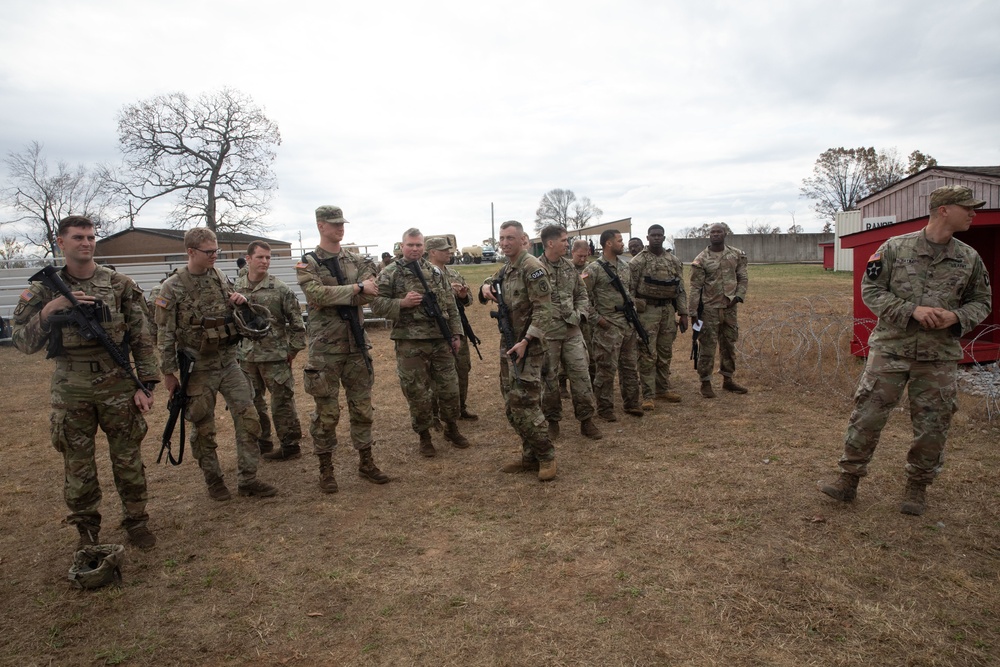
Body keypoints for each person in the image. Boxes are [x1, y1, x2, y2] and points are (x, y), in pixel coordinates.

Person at [820, 185, 992, 516]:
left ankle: (917, 487)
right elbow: (871, 288)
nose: (973, 214)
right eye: (966, 208)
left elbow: (982, 301)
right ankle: (848, 480)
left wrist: (956, 317)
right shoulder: (896, 248)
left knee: (933, 424)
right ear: (944, 210)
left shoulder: (968, 258)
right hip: (891, 350)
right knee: (867, 415)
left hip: (938, 356)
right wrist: (910, 310)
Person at [12, 215, 160, 550]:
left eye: (91, 237)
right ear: (61, 243)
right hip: (71, 385)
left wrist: (145, 385)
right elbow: (22, 341)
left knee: (128, 459)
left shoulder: (119, 283)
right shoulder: (43, 290)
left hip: (117, 382)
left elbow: (142, 338)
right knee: (77, 464)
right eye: (78, 237)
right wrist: (51, 309)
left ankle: (136, 522)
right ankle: (87, 530)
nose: (87, 243)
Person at [156, 227, 277, 501]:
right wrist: (168, 373)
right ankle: (214, 481)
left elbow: (232, 309)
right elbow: (164, 333)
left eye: (216, 251)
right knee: (203, 427)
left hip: (229, 362)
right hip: (197, 368)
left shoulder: (220, 276)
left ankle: (248, 479)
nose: (214, 256)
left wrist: (240, 301)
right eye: (209, 252)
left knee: (249, 418)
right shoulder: (172, 287)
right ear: (190, 251)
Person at [296, 205, 389, 493]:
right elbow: (316, 295)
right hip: (325, 351)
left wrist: (355, 290)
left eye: (342, 223)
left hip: (356, 345)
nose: (340, 228)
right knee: (326, 413)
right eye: (334, 224)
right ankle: (326, 469)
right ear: (320, 226)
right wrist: (356, 289)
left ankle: (366, 462)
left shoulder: (356, 260)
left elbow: (373, 291)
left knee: (362, 408)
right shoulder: (308, 263)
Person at [370, 229, 471, 457]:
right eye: (410, 245)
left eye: (418, 245)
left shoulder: (435, 272)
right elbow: (376, 305)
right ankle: (424, 436)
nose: (415, 249)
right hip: (410, 343)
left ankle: (451, 427)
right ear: (402, 246)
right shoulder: (390, 273)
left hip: (440, 340)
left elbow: (451, 305)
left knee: (449, 388)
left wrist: (456, 334)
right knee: (417, 392)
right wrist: (401, 303)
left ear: (424, 247)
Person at [480, 220, 557, 481]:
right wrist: (484, 286)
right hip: (509, 343)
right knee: (511, 403)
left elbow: (545, 310)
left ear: (523, 239)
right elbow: (491, 281)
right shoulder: (507, 269)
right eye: (501, 238)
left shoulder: (532, 268)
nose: (504, 243)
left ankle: (546, 457)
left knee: (525, 401)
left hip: (529, 346)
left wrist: (527, 340)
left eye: (510, 238)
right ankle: (530, 456)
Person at [235, 241, 306, 461]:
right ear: (248, 259)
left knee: (282, 402)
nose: (265, 261)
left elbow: (297, 324)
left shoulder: (280, 289)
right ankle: (262, 441)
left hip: (275, 357)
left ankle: (290, 445)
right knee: (253, 402)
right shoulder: (237, 288)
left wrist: (292, 351)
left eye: (268, 257)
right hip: (246, 357)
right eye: (260, 257)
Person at [537, 225, 602, 441]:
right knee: (549, 379)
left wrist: (580, 314)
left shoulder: (569, 267)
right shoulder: (534, 268)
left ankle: (586, 420)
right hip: (548, 335)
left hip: (573, 331)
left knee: (581, 375)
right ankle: (553, 421)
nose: (567, 244)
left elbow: (582, 295)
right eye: (564, 240)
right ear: (550, 243)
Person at [582, 230, 644, 420]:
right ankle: (605, 408)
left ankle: (632, 403)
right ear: (608, 244)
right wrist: (598, 320)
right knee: (606, 369)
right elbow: (583, 299)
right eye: (619, 241)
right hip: (607, 326)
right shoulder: (593, 269)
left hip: (627, 324)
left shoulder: (626, 267)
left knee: (630, 367)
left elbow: (630, 292)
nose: (622, 243)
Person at [629, 224, 689, 408]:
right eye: (653, 235)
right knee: (647, 353)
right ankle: (648, 395)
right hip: (647, 312)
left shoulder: (673, 261)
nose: (656, 238)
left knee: (665, 352)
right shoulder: (638, 262)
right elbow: (629, 290)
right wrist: (636, 309)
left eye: (660, 235)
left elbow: (680, 289)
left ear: (664, 238)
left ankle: (663, 388)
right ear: (647, 238)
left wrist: (684, 313)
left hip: (667, 312)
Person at [688, 223, 749, 398]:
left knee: (729, 345)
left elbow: (743, 277)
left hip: (730, 308)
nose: (715, 234)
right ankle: (705, 382)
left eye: (719, 232)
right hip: (708, 310)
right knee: (707, 347)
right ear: (709, 235)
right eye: (712, 232)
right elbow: (695, 287)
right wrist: (693, 313)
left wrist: (738, 297)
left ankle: (728, 380)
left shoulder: (736, 255)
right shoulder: (701, 259)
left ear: (725, 234)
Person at [426, 236, 478, 421]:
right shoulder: (424, 275)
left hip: (458, 330)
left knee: (462, 368)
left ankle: (460, 407)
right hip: (436, 332)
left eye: (449, 249)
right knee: (436, 375)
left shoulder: (454, 273)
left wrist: (463, 295)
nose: (449, 252)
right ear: (432, 252)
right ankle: (435, 413)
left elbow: (469, 300)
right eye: (444, 249)